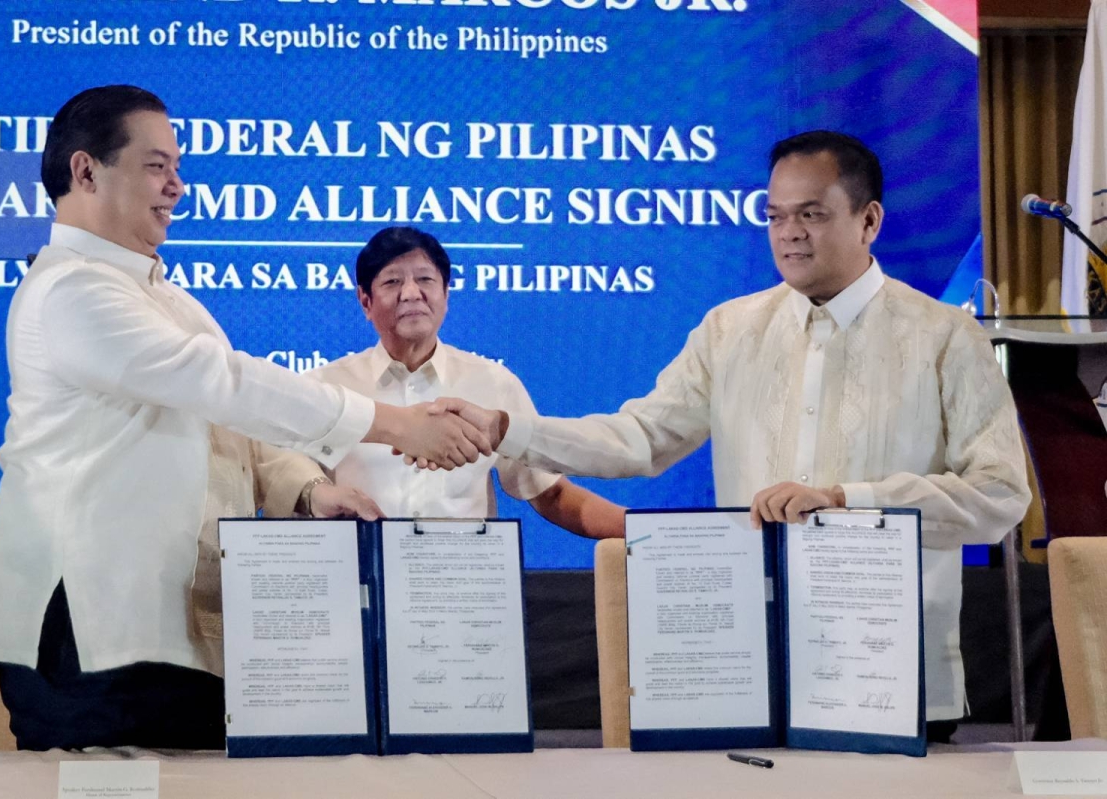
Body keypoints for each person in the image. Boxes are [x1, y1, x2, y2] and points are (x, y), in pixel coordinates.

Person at [426, 131, 1032, 741]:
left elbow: (1000, 494)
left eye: (812, 214)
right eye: (775, 216)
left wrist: (848, 500)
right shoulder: (731, 330)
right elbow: (641, 437)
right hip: (747, 667)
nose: (789, 233)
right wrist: (508, 431)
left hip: (889, 675)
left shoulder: (945, 337)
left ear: (869, 219)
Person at [0, 85, 491, 751]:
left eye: (178, 168)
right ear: (85, 171)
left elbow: (234, 427)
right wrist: (398, 425)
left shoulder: (169, 299)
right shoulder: (69, 290)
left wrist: (309, 493)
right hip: (91, 621)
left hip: (173, 626)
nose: (178, 188)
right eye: (157, 166)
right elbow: (225, 384)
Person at [313, 226, 625, 537]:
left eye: (425, 279)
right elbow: (294, 486)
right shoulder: (326, 387)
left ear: (446, 295)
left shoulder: (493, 383)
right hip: (358, 579)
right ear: (365, 301)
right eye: (393, 281)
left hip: (463, 580)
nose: (411, 293)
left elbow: (552, 495)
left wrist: (644, 532)